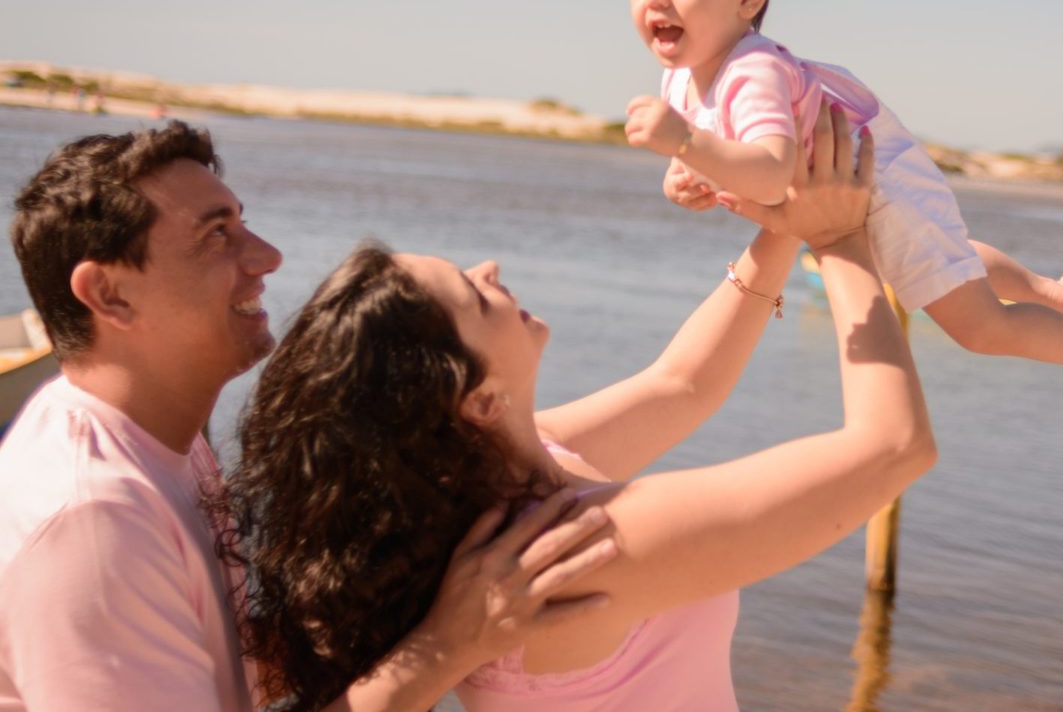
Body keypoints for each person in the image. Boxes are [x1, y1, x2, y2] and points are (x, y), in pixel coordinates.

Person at [224, 103, 934, 710]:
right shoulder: (580, 549)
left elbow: (683, 385)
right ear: (478, 400)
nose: (490, 268)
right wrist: (842, 241)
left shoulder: (493, 490)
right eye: (472, 294)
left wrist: (785, 218)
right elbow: (893, 448)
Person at [0, 122, 617, 712]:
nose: (269, 257)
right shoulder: (93, 520)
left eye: (244, 223)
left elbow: (217, 666)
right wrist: (451, 643)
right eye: (217, 235)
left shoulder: (159, 438)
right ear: (110, 294)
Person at [622, 0, 1063, 433]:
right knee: (934, 262)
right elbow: (730, 153)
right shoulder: (681, 76)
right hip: (846, 176)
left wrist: (686, 143)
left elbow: (772, 173)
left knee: (976, 326)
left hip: (880, 179)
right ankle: (1045, 290)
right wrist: (687, 170)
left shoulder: (752, 71)